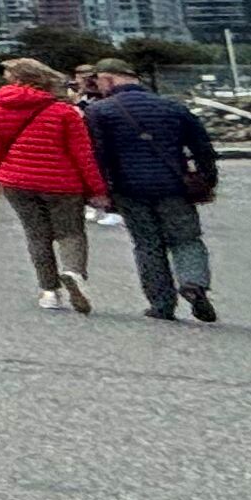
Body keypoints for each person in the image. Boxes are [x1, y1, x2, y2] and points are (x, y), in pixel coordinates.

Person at [80, 60, 221, 322]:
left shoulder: (99, 112)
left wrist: (100, 190)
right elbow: (203, 149)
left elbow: (97, 155)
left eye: (98, 80)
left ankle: (161, 304)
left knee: (147, 245)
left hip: (128, 188)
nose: (96, 86)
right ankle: (194, 284)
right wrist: (206, 181)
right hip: (173, 186)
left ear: (109, 79)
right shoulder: (173, 107)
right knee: (186, 239)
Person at [0, 56, 106, 313]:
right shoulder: (64, 112)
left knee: (36, 235)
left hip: (17, 182)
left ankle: (49, 292)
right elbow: (83, 155)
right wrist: (97, 190)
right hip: (62, 183)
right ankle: (73, 272)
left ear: (17, 80)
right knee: (71, 233)